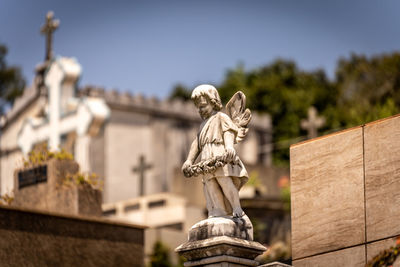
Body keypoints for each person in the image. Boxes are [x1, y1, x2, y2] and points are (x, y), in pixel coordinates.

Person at [182, 84, 249, 218]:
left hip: (219, 155)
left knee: (224, 181)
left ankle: (236, 207)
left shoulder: (221, 117)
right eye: (198, 108)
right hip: (206, 159)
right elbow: (197, 144)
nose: (200, 110)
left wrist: (229, 147)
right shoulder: (202, 125)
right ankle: (219, 210)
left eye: (202, 106)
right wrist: (189, 160)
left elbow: (228, 132)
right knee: (210, 184)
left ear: (213, 103)